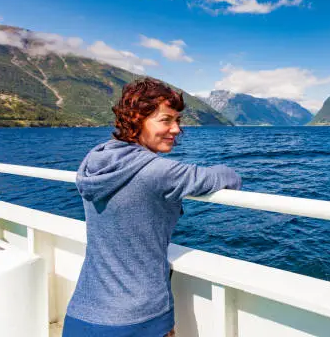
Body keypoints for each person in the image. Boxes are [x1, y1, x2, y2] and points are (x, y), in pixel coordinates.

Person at [62, 77, 242, 337]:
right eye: (166, 120)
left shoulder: (94, 159)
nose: (177, 129)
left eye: (177, 120)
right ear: (136, 119)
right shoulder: (158, 171)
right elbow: (227, 177)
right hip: (138, 319)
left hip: (82, 313)